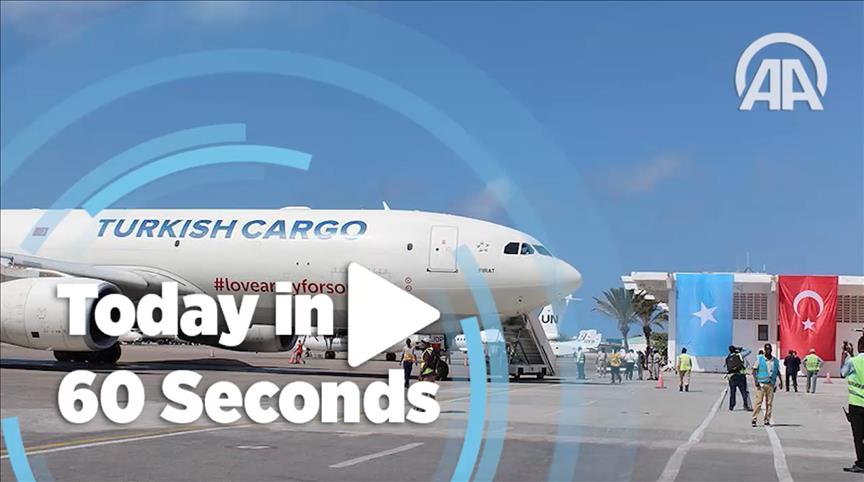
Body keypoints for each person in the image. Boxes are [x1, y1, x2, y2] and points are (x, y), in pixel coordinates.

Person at [840, 335, 864, 473]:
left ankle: (861, 463)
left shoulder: (853, 361)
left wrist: (844, 356)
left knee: (858, 436)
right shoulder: (855, 360)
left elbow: (843, 373)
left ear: (860, 346)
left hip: (857, 404)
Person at [752, 343, 783, 427]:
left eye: (769, 349)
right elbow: (754, 370)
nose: (768, 351)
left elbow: (777, 371)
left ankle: (767, 419)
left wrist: (781, 381)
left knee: (769, 403)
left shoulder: (775, 360)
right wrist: (756, 381)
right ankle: (754, 419)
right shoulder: (760, 359)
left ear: (771, 350)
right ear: (765, 350)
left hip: (771, 383)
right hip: (761, 383)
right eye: (767, 349)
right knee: (758, 402)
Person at [727, 345, 752, 411]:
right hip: (740, 376)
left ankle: (731, 405)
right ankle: (746, 405)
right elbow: (749, 351)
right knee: (743, 391)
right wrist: (741, 348)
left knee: (732, 392)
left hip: (732, 377)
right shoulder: (739, 355)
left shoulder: (728, 357)